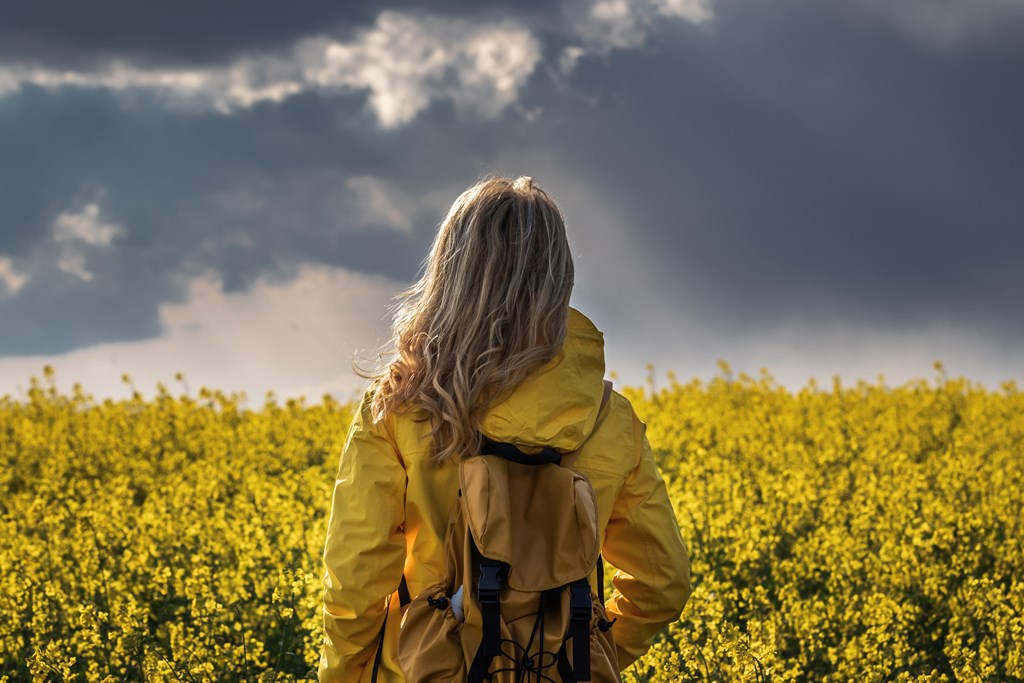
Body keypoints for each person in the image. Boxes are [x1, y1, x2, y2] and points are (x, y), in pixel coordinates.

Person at [318, 174, 692, 682]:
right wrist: (581, 656)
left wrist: (345, 676)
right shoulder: (609, 419)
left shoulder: (401, 405)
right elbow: (661, 583)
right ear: (559, 277)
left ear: (451, 273)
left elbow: (356, 580)